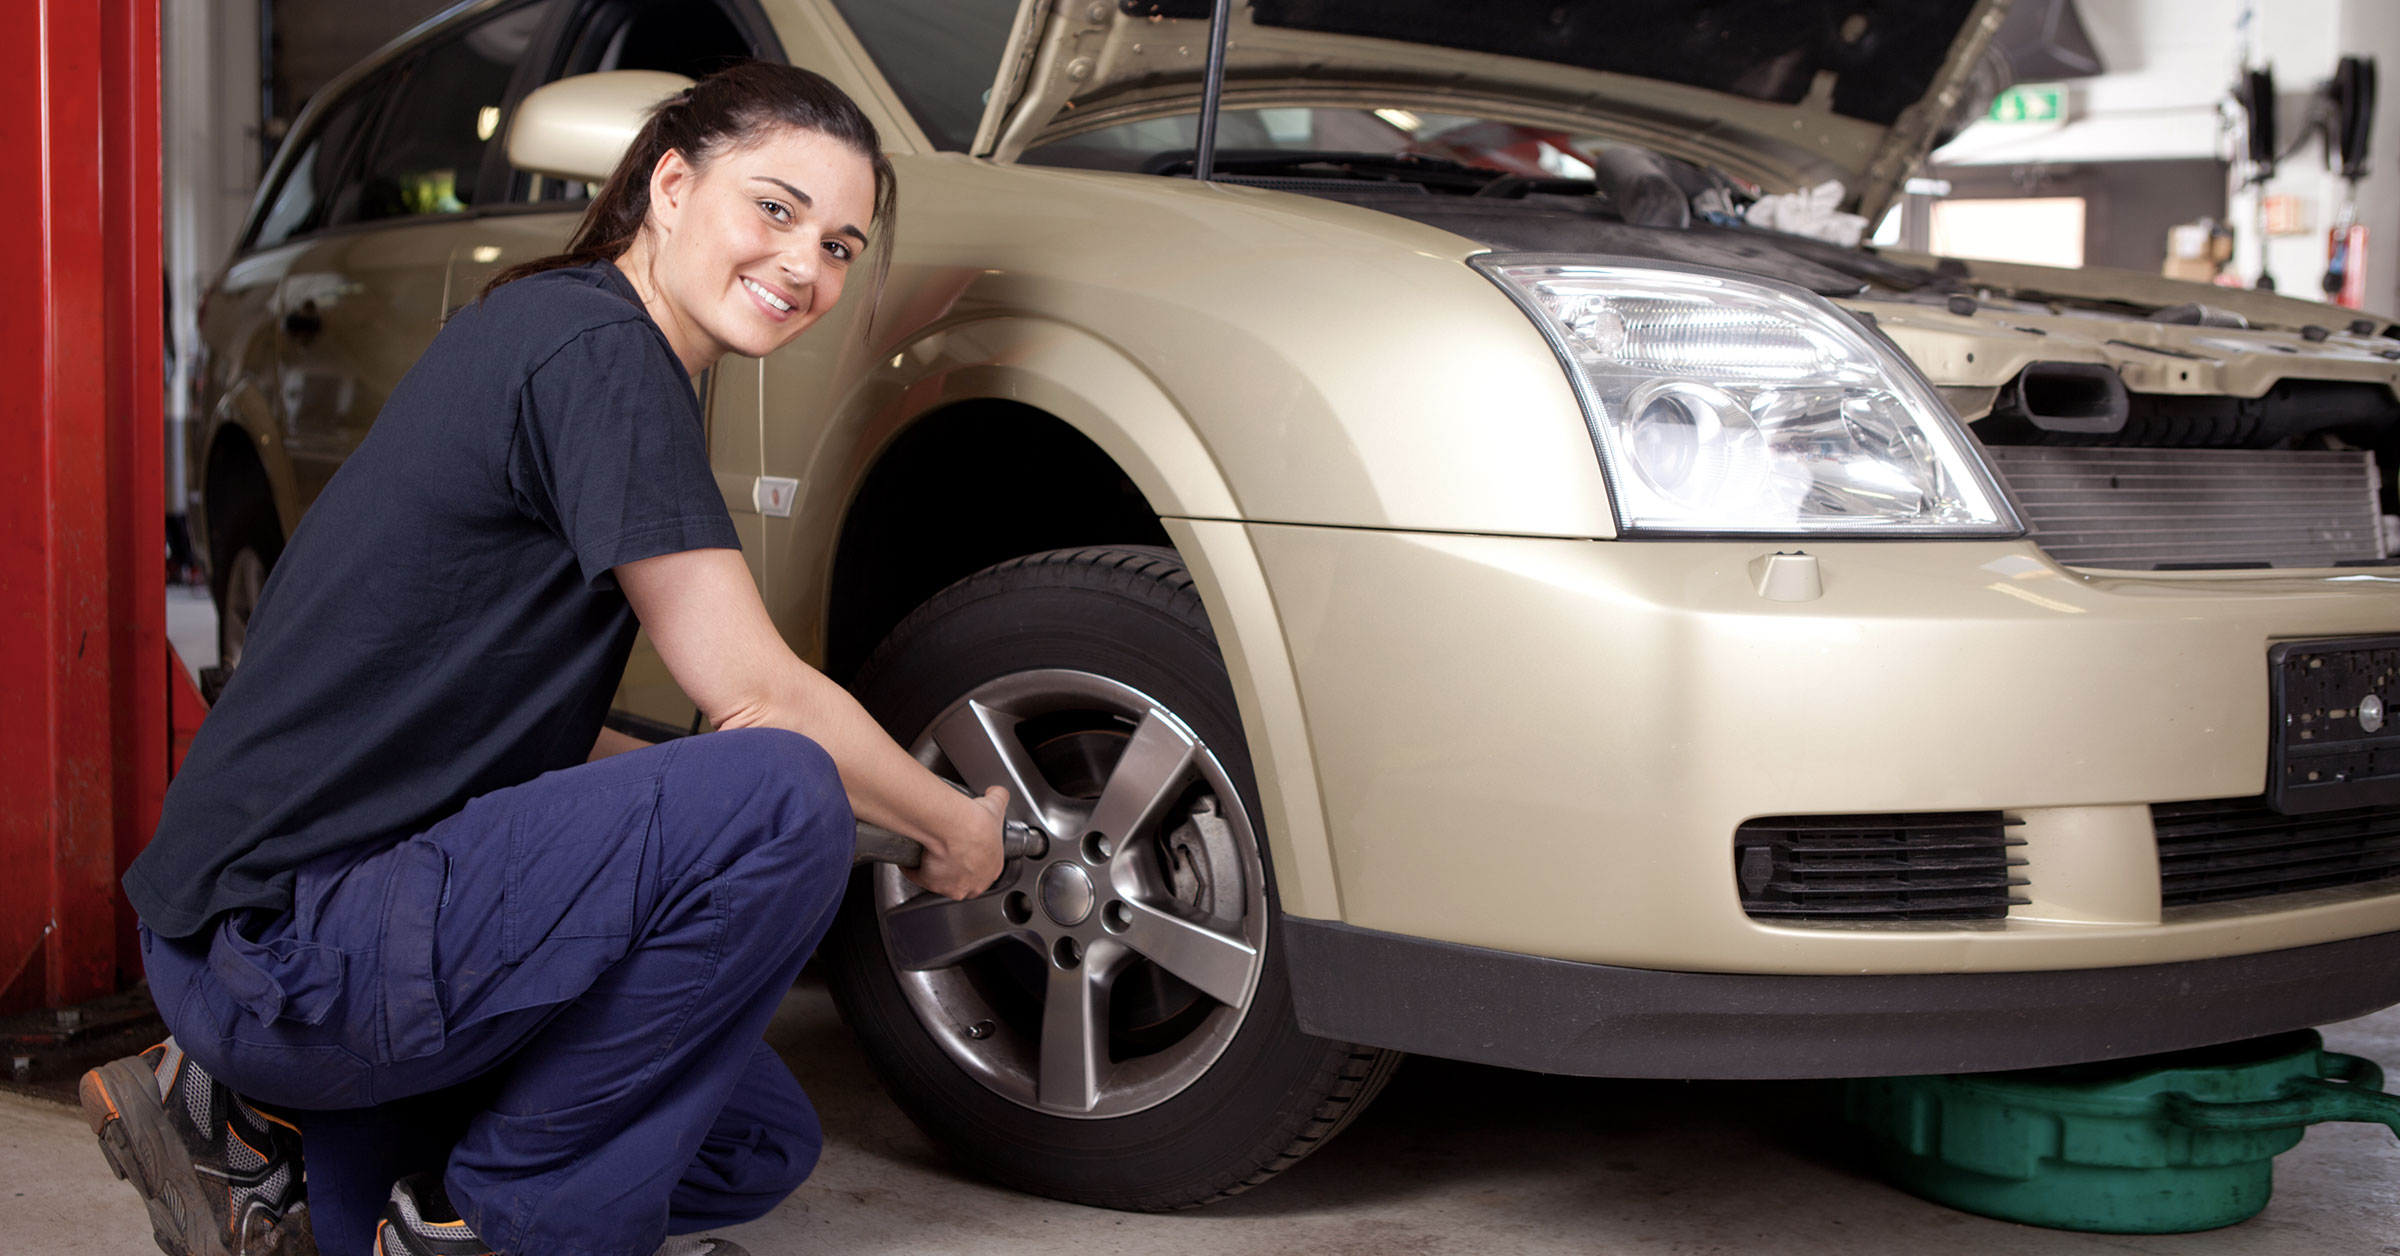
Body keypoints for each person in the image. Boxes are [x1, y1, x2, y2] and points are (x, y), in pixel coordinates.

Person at [78, 61, 1004, 1256]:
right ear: (671, 184)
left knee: (754, 1134)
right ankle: (503, 1227)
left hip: (286, 946)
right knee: (781, 792)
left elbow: (537, 730)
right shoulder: (600, 354)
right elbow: (760, 697)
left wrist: (696, 786)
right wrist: (951, 824)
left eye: (840, 243)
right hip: (289, 944)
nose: (805, 265)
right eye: (775, 209)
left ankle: (283, 1139)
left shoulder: (572, 331)